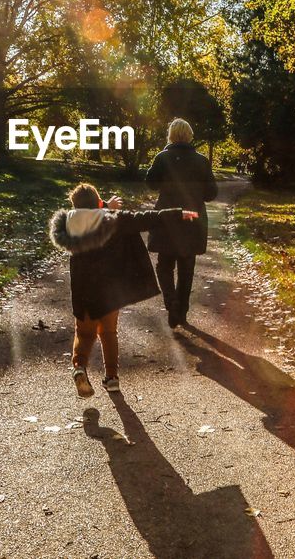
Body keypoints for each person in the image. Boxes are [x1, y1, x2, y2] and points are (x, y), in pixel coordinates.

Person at [48, 182, 198, 397]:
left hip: (83, 290)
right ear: (97, 201)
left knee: (84, 332)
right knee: (108, 332)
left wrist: (103, 204)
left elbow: (87, 214)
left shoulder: (69, 224)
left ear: (74, 205)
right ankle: (112, 379)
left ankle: (79, 367)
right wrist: (179, 213)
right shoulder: (114, 219)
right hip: (108, 291)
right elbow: (147, 218)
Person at [145, 118, 218, 328]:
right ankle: (182, 311)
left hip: (167, 218)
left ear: (171, 135)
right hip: (192, 219)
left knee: (164, 265)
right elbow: (211, 193)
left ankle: (171, 302)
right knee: (187, 267)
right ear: (189, 136)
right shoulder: (202, 161)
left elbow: (150, 183)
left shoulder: (162, 158)